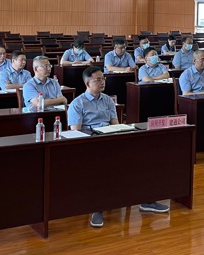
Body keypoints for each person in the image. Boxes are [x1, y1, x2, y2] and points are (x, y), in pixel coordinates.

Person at [69, 66, 169, 227]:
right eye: (98, 80)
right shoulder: (77, 103)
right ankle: (97, 208)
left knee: (142, 159)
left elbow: (115, 124)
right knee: (101, 166)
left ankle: (146, 200)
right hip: (91, 145)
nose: (103, 82)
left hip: (111, 140)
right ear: (88, 83)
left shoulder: (108, 100)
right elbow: (76, 132)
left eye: (103, 79)